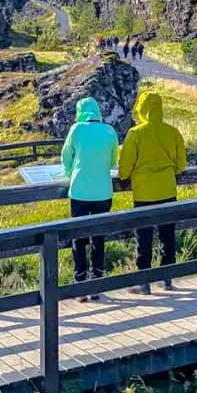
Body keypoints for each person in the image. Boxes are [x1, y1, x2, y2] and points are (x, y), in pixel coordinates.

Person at [118, 90, 187, 293]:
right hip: (167, 189)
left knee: (144, 237)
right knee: (168, 235)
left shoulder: (136, 133)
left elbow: (125, 168)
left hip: (144, 192)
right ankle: (166, 279)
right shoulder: (172, 132)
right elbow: (181, 164)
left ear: (141, 108)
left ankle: (144, 282)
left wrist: (125, 177)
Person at [60, 97, 119, 302]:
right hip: (103, 191)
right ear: (97, 112)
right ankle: (97, 282)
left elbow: (66, 156)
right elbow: (113, 161)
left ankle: (80, 281)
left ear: (80, 112)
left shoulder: (76, 130)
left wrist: (71, 173)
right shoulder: (109, 131)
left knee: (79, 237)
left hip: (79, 192)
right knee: (98, 237)